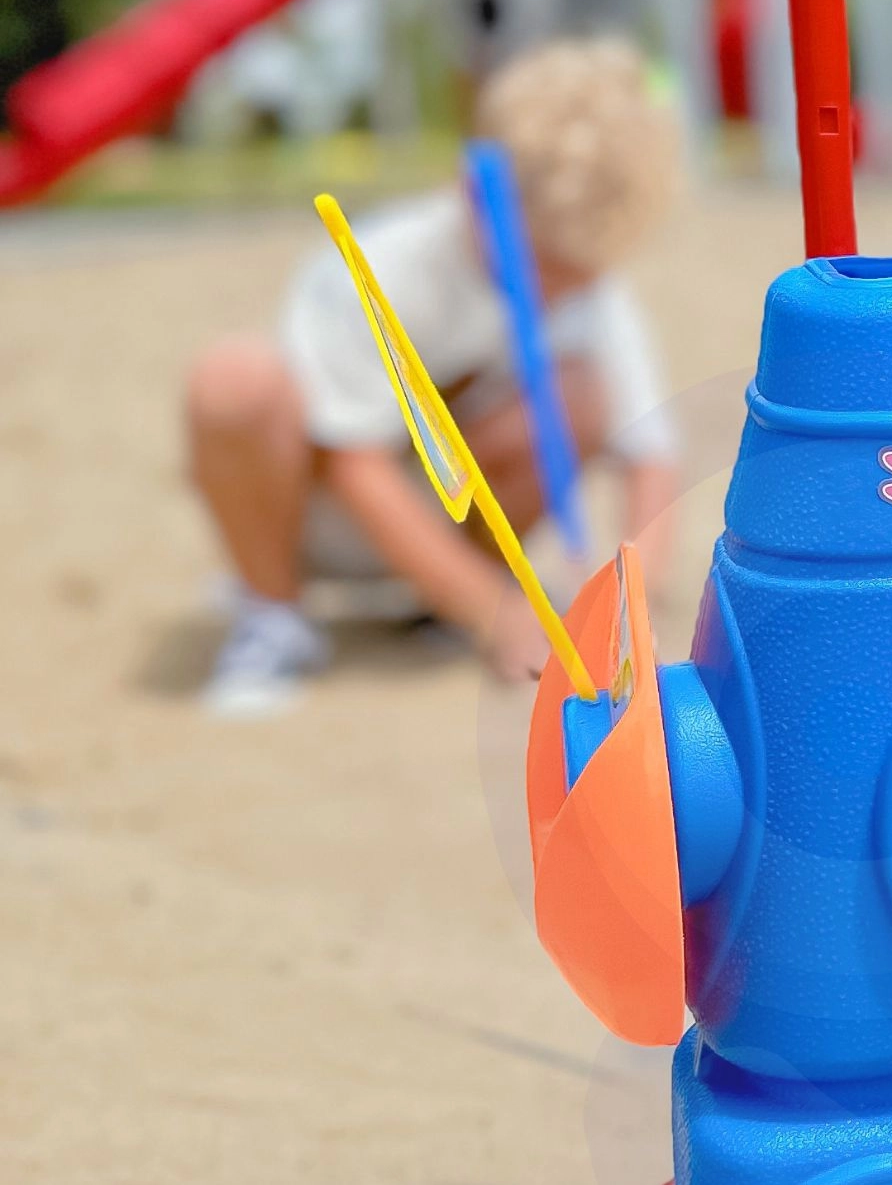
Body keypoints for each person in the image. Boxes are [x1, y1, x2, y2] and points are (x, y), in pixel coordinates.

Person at [185, 40, 684, 717]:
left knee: (583, 391)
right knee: (234, 382)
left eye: (576, 277)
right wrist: (497, 613)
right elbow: (353, 464)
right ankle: (273, 616)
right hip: (320, 527)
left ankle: (442, 610)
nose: (553, 294)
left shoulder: (583, 274)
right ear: (475, 194)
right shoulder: (390, 264)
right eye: (539, 267)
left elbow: (651, 459)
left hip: (452, 529)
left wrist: (632, 616)